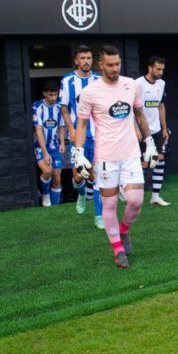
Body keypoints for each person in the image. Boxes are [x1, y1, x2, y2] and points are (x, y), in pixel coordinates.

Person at [73, 44, 157, 268]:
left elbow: (140, 115)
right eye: (109, 65)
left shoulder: (131, 85)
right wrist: (79, 153)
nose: (114, 68)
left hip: (130, 154)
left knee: (136, 201)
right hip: (105, 158)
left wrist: (149, 142)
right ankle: (118, 249)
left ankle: (123, 231)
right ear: (100, 65)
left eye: (117, 64)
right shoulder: (90, 92)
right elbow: (81, 124)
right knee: (109, 206)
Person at [60, 45, 105, 229]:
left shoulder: (99, 80)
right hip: (78, 137)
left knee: (97, 175)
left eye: (89, 58)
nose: (86, 61)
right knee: (78, 176)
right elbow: (64, 108)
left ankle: (98, 215)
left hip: (96, 136)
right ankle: (80, 193)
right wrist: (71, 129)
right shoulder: (68, 80)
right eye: (82, 58)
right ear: (76, 61)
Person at [135, 56, 172, 207]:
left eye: (162, 69)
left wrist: (164, 128)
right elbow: (132, 108)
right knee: (143, 164)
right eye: (158, 69)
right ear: (150, 68)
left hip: (157, 130)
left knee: (160, 160)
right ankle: (133, 196)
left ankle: (155, 196)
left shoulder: (162, 84)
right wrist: (136, 129)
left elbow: (161, 106)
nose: (161, 72)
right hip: (142, 131)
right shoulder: (137, 84)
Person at [33, 80, 65, 207]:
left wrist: (62, 143)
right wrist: (45, 152)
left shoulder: (59, 108)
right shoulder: (37, 106)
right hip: (40, 147)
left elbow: (62, 126)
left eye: (55, 95)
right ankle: (45, 194)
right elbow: (38, 130)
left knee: (57, 178)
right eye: (51, 95)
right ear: (44, 94)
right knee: (47, 171)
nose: (53, 98)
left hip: (54, 147)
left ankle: (55, 207)